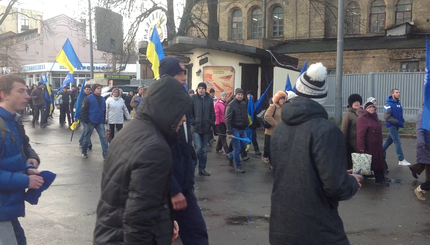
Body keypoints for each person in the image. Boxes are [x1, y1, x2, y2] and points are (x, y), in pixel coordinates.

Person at [269, 62, 361, 245]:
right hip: (318, 230)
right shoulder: (327, 131)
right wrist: (350, 181)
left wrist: (337, 174)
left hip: (280, 227)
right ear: (322, 98)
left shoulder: (280, 129)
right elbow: (336, 187)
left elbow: (292, 172)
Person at [93, 76, 189, 245]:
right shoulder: (155, 148)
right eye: (180, 112)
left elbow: (133, 197)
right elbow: (138, 221)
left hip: (109, 233)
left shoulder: (131, 130)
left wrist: (164, 223)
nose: (184, 119)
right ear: (168, 109)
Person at [158, 56, 209, 245]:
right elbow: (156, 154)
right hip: (166, 191)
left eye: (184, 72)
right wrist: (173, 189)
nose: (183, 77)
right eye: (178, 73)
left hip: (185, 186)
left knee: (197, 233)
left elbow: (183, 143)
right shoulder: (161, 105)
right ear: (167, 77)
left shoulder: (184, 102)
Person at [0, 75, 43, 245]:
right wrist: (25, 180)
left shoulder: (14, 120)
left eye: (26, 90)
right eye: (21, 91)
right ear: (4, 94)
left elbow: (18, 150)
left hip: (7, 210)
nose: (27, 96)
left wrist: (28, 164)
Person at [357, 102, 389, 186]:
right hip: (369, 146)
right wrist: (361, 147)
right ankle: (378, 179)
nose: (371, 109)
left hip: (377, 145)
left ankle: (380, 179)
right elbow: (360, 134)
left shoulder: (374, 117)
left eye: (372, 107)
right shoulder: (363, 119)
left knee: (378, 162)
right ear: (365, 109)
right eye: (369, 108)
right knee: (372, 163)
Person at [190, 82, 215, 176]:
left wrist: (211, 122)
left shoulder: (209, 99)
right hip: (196, 128)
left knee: (204, 150)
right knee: (198, 148)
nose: (201, 90)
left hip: (206, 128)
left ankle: (202, 169)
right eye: (199, 88)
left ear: (205, 89)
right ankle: (192, 168)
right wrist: (193, 121)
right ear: (197, 89)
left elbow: (212, 112)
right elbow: (189, 112)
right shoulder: (193, 98)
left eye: (203, 88)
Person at [383, 89, 410, 166]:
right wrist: (397, 122)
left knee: (388, 141)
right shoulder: (388, 104)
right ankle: (401, 159)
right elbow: (387, 117)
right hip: (391, 126)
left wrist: (402, 120)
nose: (398, 94)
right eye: (396, 92)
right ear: (392, 94)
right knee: (397, 141)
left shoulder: (398, 103)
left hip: (396, 125)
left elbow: (398, 114)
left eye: (399, 92)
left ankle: (379, 153)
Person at [80, 84, 108, 159]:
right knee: (87, 137)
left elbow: (104, 110)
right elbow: (83, 110)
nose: (100, 89)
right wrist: (86, 120)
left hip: (100, 121)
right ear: (94, 89)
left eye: (100, 88)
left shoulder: (102, 99)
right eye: (98, 88)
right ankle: (84, 152)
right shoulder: (88, 98)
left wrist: (104, 118)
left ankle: (105, 154)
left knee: (103, 137)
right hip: (91, 121)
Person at [226, 88, 249, 173]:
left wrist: (246, 123)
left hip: (243, 129)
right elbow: (228, 119)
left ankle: (230, 155)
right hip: (235, 129)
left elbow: (245, 115)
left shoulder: (243, 104)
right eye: (238, 94)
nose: (240, 96)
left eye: (242, 95)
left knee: (244, 146)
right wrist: (229, 132)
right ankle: (238, 166)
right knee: (237, 148)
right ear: (236, 95)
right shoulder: (231, 105)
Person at [263, 91, 287, 169]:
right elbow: (267, 116)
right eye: (281, 99)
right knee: (270, 149)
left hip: (280, 132)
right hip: (271, 132)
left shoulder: (284, 107)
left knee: (278, 149)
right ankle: (272, 164)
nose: (282, 101)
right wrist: (276, 124)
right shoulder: (273, 106)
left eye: (283, 99)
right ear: (277, 99)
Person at [341, 94, 363, 170]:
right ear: (351, 103)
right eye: (354, 102)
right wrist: (344, 143)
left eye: (358, 102)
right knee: (351, 162)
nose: (357, 103)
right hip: (351, 143)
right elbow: (344, 129)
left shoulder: (362, 113)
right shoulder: (348, 115)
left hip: (360, 141)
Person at [409, 105, 430, 180]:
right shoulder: (422, 113)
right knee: (428, 163)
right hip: (425, 142)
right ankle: (427, 184)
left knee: (426, 161)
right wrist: (422, 143)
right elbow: (419, 130)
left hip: (428, 141)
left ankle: (414, 168)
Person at [246, 91, 261, 155]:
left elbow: (257, 111)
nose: (249, 96)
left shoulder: (255, 104)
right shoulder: (244, 103)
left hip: (253, 123)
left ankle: (256, 149)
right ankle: (245, 149)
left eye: (250, 95)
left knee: (254, 137)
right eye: (248, 95)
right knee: (246, 137)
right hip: (246, 124)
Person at [78, 85, 92, 149]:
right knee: (87, 129)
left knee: (85, 129)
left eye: (89, 90)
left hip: (89, 115)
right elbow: (78, 105)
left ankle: (81, 141)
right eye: (87, 89)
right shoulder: (81, 96)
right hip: (82, 115)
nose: (88, 91)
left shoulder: (91, 96)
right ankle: (88, 143)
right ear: (84, 90)